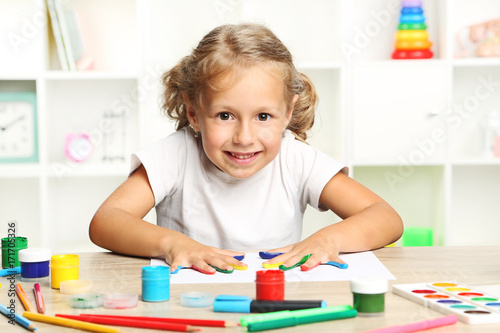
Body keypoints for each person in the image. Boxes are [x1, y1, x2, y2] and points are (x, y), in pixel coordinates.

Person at [89, 23, 403, 274]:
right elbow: (106, 221)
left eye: (263, 116)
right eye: (225, 116)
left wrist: (328, 239)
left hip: (275, 306)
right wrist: (172, 244)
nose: (244, 136)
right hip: (187, 304)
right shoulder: (175, 155)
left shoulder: (295, 158)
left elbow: (385, 218)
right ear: (194, 113)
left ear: (288, 114)